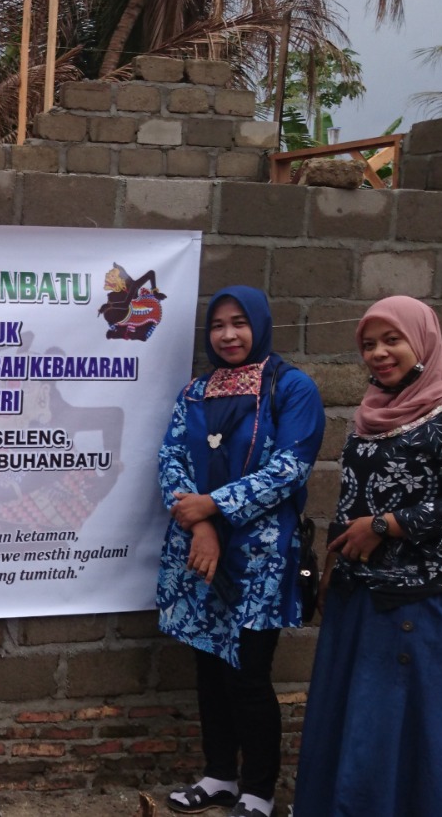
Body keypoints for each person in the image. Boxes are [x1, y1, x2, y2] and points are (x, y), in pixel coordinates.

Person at [292, 296, 442, 817]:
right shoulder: (370, 415)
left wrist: (386, 527)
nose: (379, 353)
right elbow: (351, 501)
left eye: (393, 340)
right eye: (369, 344)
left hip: (424, 602)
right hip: (359, 597)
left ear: (423, 341)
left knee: (414, 730)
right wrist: (333, 567)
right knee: (359, 725)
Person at [156, 286, 325, 817]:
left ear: (260, 324)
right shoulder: (196, 392)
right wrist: (201, 524)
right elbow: (171, 459)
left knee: (248, 674)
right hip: (198, 551)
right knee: (208, 667)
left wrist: (212, 506)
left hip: (259, 558)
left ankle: (259, 791)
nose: (228, 335)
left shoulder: (291, 388)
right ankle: (219, 776)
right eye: (218, 325)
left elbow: (289, 468)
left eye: (239, 323)